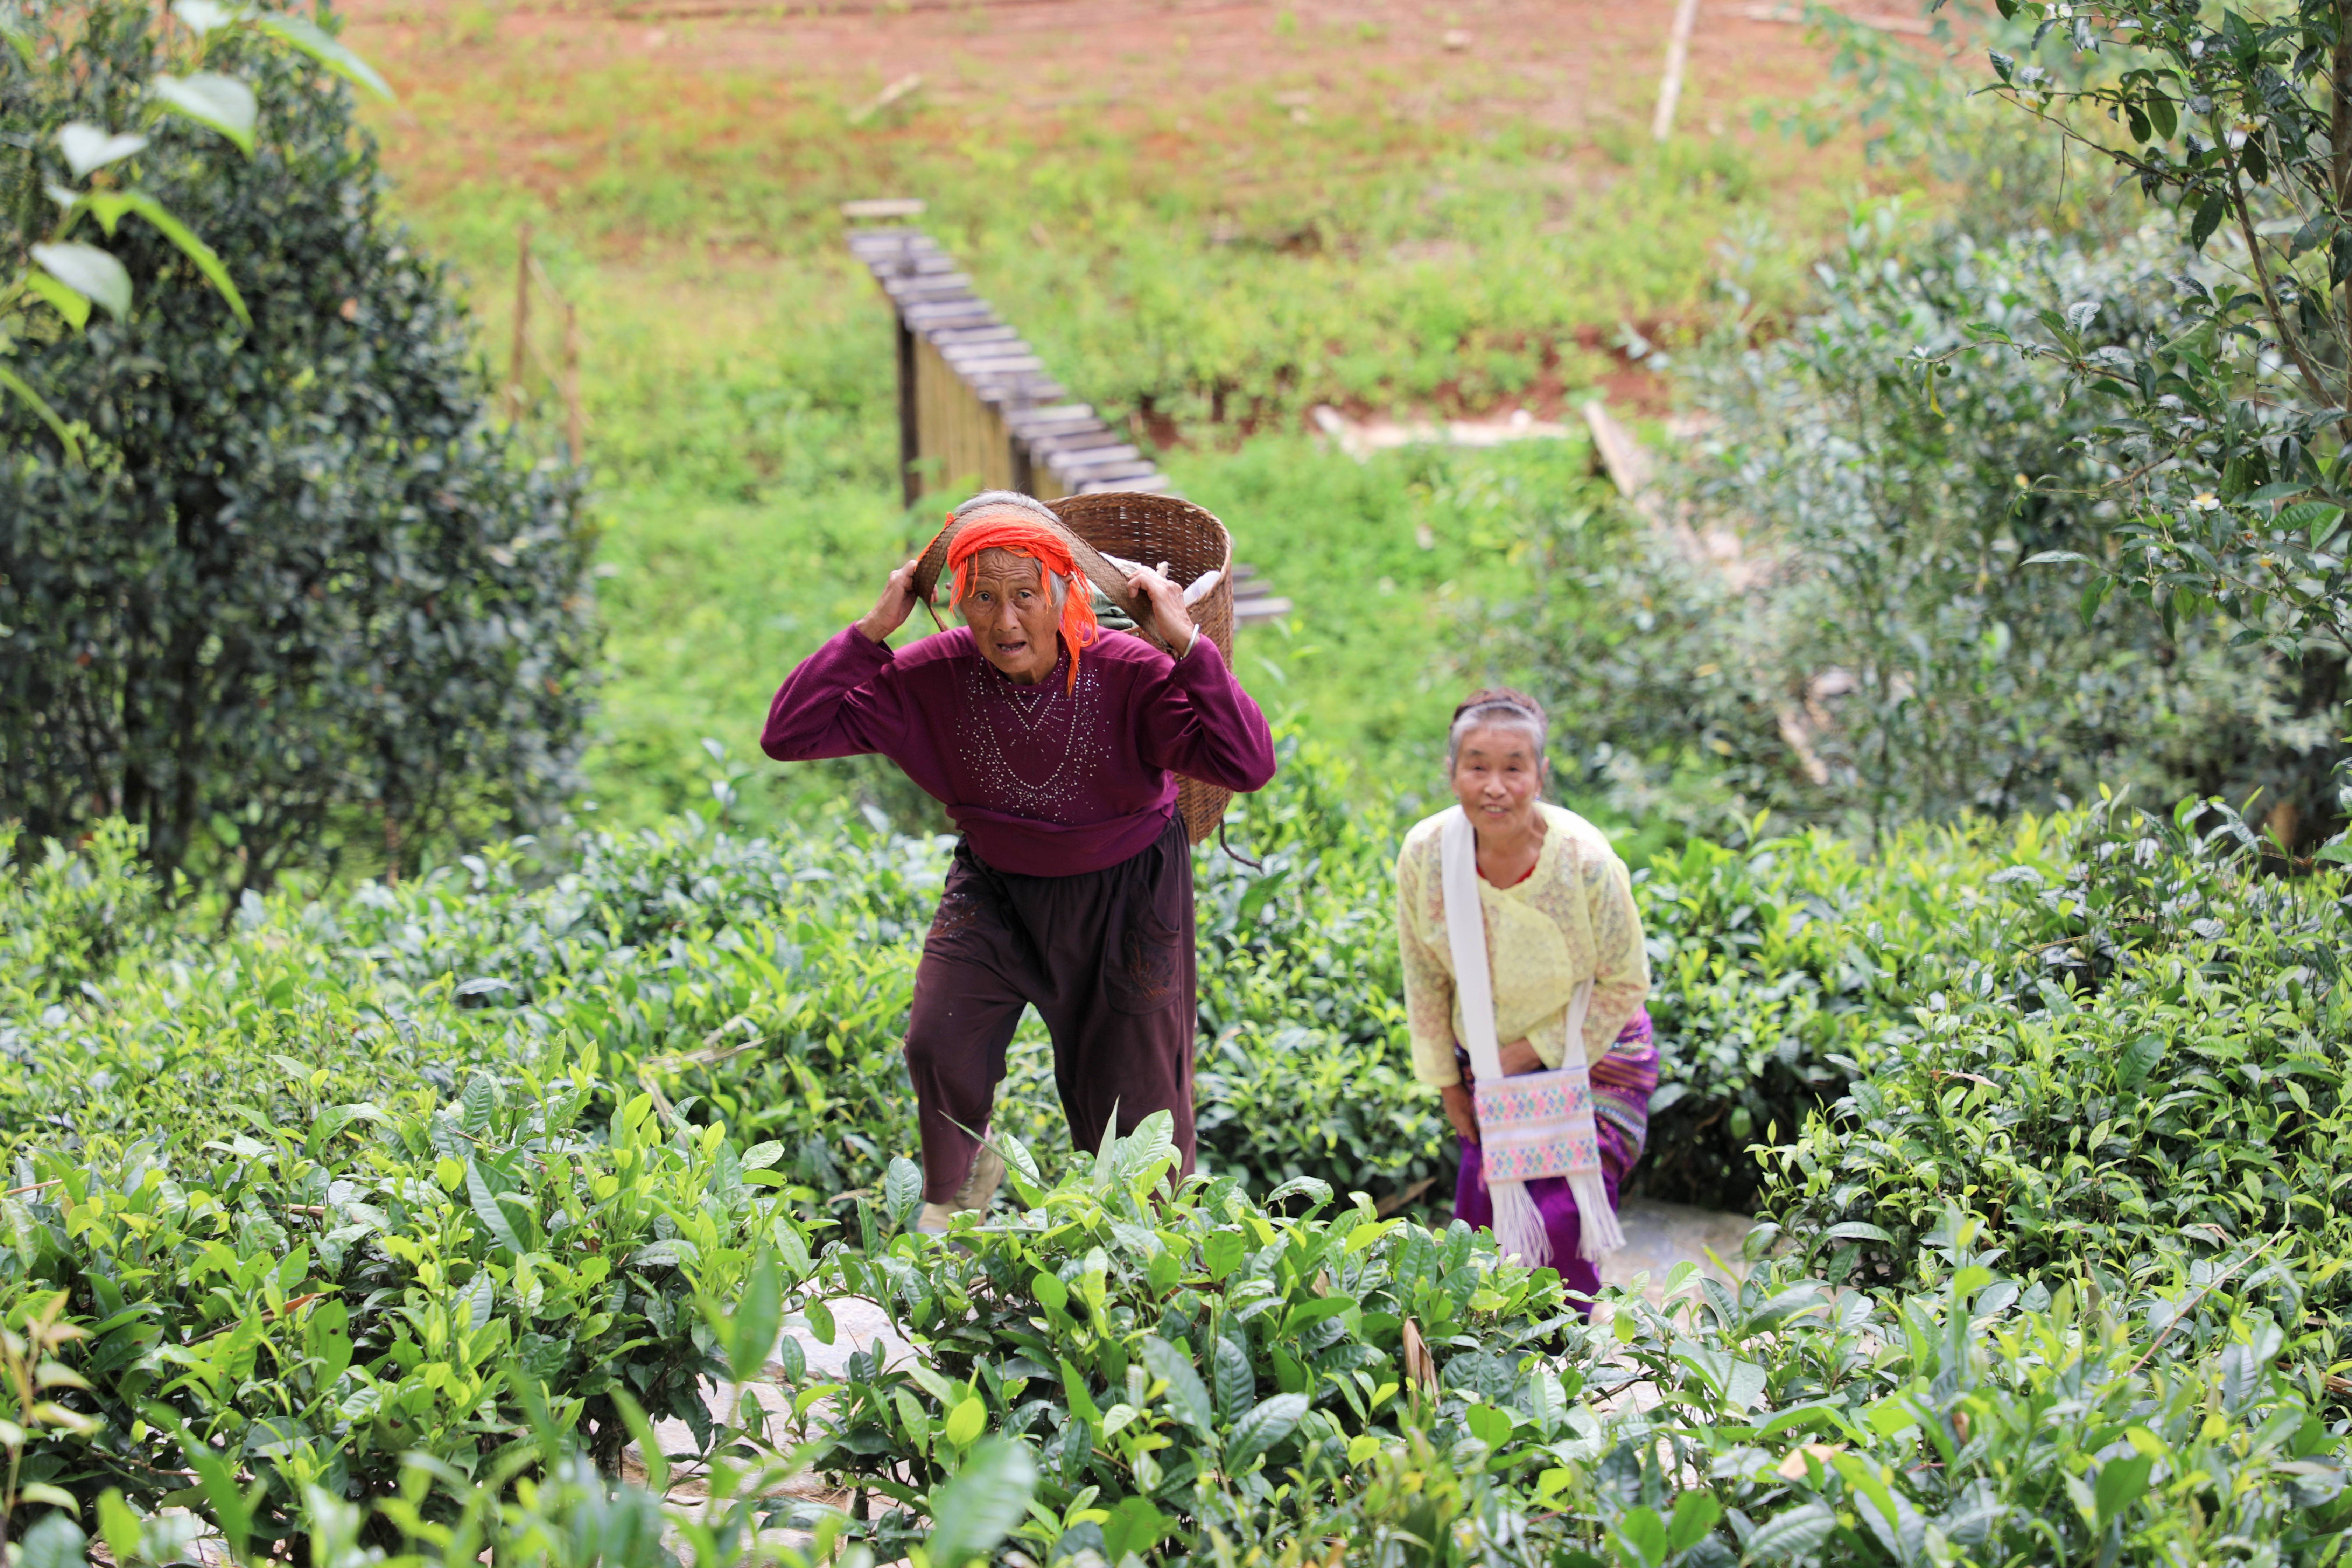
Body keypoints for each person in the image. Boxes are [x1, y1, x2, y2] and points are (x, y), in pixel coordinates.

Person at [760, 490, 1276, 1232]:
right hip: (996, 889)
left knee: (1134, 1105)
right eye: (984, 598)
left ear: (1065, 592)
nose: (1006, 622)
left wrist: (1187, 642)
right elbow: (789, 732)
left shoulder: (1130, 671)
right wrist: (875, 628)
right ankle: (964, 1179)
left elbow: (1248, 760)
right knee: (940, 1041)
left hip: (1127, 899)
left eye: (1027, 595)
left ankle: (1145, 1253)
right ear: (957, 602)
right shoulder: (931, 674)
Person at [1393, 689, 1654, 1308]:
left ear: (1542, 775)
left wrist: (1527, 1053)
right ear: (1452, 773)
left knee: (1560, 1224)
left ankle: (1561, 1370)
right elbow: (1424, 977)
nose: (1495, 785)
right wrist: (1452, 1087)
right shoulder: (1427, 856)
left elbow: (1625, 981)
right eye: (1477, 765)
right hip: (1482, 1065)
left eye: (1515, 767)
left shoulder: (1586, 861)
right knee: (1487, 1234)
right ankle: (1501, 1374)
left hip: (1596, 1057)